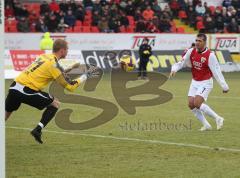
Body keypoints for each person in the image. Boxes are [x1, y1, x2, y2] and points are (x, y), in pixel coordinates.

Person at [5, 39, 98, 144]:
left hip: (14, 87)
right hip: (25, 90)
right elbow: (70, 86)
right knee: (55, 103)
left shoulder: (44, 57)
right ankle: (38, 130)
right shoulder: (54, 64)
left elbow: (55, 74)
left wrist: (71, 68)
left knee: (6, 113)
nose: (67, 51)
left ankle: (37, 130)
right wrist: (86, 76)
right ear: (62, 50)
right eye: (67, 49)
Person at [169, 33, 229, 131]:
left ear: (204, 42)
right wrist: (174, 69)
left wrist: (224, 86)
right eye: (196, 40)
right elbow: (182, 62)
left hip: (206, 82)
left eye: (199, 41)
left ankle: (218, 118)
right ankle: (206, 125)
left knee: (197, 103)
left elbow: (217, 72)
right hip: (195, 81)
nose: (197, 43)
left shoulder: (210, 55)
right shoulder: (191, 51)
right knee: (191, 104)